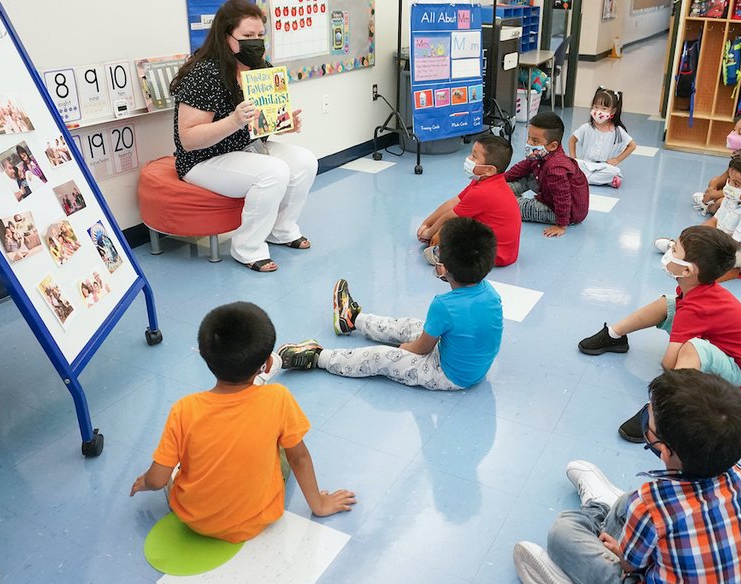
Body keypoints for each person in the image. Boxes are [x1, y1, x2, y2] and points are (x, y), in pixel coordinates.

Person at [130, 302, 356, 543]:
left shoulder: (184, 410)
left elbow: (157, 480)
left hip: (194, 520)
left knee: (182, 461)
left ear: (205, 358)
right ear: (268, 365)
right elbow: (299, 458)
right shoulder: (278, 398)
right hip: (257, 518)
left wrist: (145, 481)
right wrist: (319, 504)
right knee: (282, 449)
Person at [512, 369, 741, 584]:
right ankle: (607, 507)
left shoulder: (651, 504)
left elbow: (630, 565)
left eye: (647, 418)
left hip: (641, 558)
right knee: (627, 503)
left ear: (664, 450)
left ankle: (589, 526)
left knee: (562, 531)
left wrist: (622, 551)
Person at [170, 0, 317, 273]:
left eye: (260, 35)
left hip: (246, 148)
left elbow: (262, 124)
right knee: (273, 171)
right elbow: (189, 140)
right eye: (247, 36)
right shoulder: (204, 73)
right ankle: (248, 247)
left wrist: (285, 122)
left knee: (306, 161)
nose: (255, 42)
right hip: (203, 159)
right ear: (226, 36)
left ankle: (282, 230)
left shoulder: (261, 68)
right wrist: (234, 120)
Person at [578, 225, 741, 441]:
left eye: (675, 250)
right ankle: (614, 335)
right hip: (720, 347)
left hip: (738, 373)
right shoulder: (695, 289)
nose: (669, 251)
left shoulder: (696, 307)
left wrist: (677, 362)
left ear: (687, 270)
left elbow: (668, 363)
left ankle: (662, 413)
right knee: (669, 303)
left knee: (693, 349)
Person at [275, 218, 503, 391]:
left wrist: (405, 348)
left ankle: (319, 358)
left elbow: (421, 348)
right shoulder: (491, 294)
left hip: (447, 375)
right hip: (473, 367)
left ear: (444, 268)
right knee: (414, 325)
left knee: (382, 357)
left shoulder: (443, 305)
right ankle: (352, 320)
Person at [656, 152, 741, 281]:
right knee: (698, 242)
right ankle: (681, 250)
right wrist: (691, 237)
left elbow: (734, 245)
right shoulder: (734, 196)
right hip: (727, 241)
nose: (729, 186)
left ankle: (686, 258)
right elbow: (715, 221)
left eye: (736, 184)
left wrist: (700, 247)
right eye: (729, 180)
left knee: (710, 256)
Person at [417, 134, 521, 267]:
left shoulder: (482, 192)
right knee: (444, 228)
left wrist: (428, 232)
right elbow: (454, 202)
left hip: (493, 255)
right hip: (503, 250)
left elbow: (449, 216)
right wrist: (427, 223)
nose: (468, 159)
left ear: (489, 170)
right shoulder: (485, 180)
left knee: (440, 238)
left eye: (474, 156)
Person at [505, 112, 590, 238]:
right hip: (550, 193)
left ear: (553, 145)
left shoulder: (556, 169)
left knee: (507, 205)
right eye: (528, 137)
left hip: (562, 212)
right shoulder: (542, 154)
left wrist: (561, 225)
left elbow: (562, 198)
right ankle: (499, 190)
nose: (529, 142)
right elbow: (523, 167)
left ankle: (501, 198)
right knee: (528, 176)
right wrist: (500, 179)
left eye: (535, 141)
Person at [568, 88, 636, 189]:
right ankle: (604, 181)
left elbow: (632, 145)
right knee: (571, 165)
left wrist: (617, 159)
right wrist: (573, 157)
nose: (599, 111)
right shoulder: (587, 127)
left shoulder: (617, 130)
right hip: (585, 164)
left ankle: (582, 179)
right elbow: (572, 140)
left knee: (614, 171)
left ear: (613, 111)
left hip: (604, 166)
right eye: (596, 107)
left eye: (604, 108)